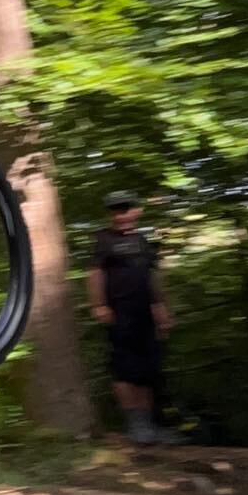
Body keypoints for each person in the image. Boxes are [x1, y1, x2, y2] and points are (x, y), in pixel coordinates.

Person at [89, 190, 176, 445]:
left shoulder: (143, 241)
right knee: (124, 369)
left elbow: (153, 277)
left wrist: (161, 307)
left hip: (145, 314)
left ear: (137, 210)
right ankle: (136, 424)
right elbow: (94, 274)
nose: (122, 213)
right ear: (111, 213)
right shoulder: (104, 240)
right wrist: (99, 304)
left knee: (148, 369)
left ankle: (149, 425)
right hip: (119, 314)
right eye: (117, 209)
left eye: (127, 208)